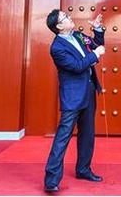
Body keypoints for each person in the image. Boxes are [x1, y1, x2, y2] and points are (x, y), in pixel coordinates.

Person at [43, 10, 106, 193]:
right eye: (65, 18)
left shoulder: (78, 35)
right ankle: (51, 179)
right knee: (63, 137)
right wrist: (95, 55)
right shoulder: (57, 48)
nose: (70, 18)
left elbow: (96, 45)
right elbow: (77, 67)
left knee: (87, 134)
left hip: (88, 91)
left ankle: (84, 169)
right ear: (59, 26)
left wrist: (98, 30)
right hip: (72, 97)